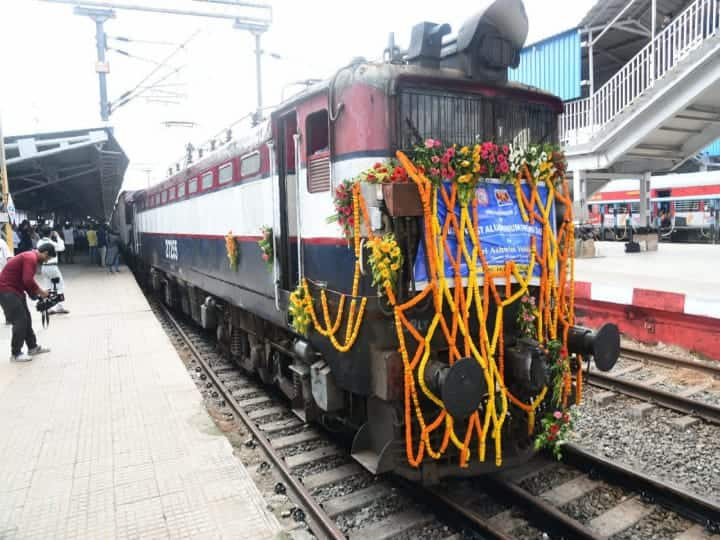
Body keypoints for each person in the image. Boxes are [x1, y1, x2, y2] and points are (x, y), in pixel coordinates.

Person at [0, 244, 54, 362]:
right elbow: (28, 280)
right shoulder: (31, 258)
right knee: (20, 320)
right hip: (7, 290)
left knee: (26, 319)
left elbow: (25, 281)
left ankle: (32, 347)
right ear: (44, 253)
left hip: (16, 290)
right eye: (47, 258)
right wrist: (41, 292)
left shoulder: (29, 257)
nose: (46, 261)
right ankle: (16, 354)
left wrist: (34, 295)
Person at [38, 228, 69, 315]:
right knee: (60, 286)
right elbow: (62, 247)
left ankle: (48, 308)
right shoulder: (51, 243)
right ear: (51, 233)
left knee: (48, 287)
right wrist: (58, 236)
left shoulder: (39, 242)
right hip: (52, 267)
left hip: (44, 267)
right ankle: (59, 307)